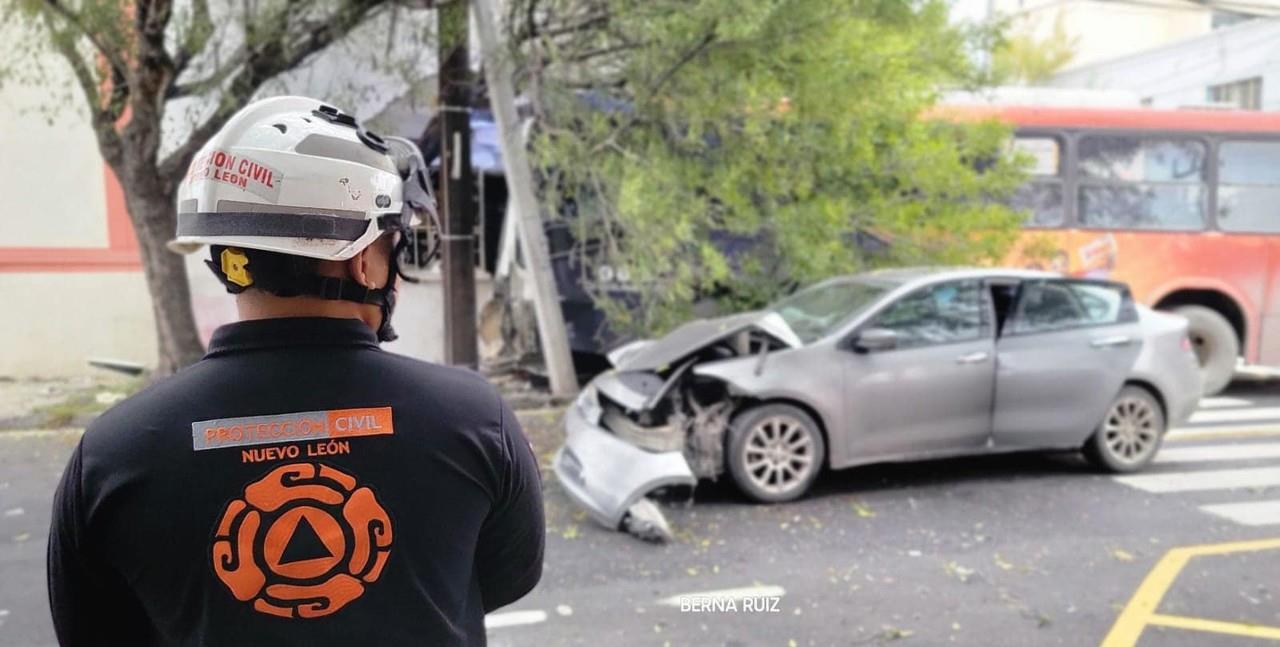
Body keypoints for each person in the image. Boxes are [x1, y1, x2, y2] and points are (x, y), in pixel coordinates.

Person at [46, 96, 544, 646]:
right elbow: (503, 575)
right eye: (390, 243)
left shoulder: (114, 452)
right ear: (361, 259)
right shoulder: (474, 418)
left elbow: (93, 628)